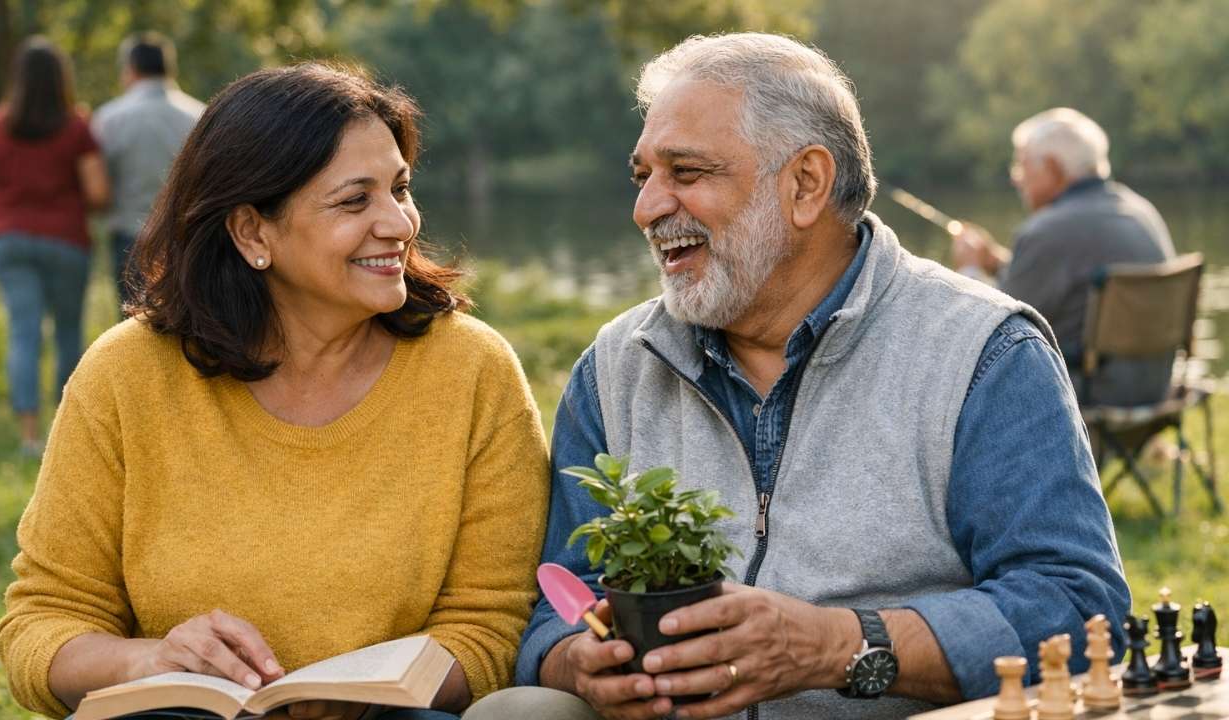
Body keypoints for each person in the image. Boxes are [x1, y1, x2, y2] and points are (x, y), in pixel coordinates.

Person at [466, 33, 1130, 720]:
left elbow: (1076, 606)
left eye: (686, 173)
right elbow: (555, 604)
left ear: (805, 184)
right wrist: (576, 660)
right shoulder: (613, 368)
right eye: (643, 177)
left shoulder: (984, 352)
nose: (648, 208)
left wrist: (841, 646)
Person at [0, 63, 549, 720]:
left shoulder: (474, 370)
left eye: (400, 189)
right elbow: (43, 624)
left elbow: (489, 628)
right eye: (354, 200)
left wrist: (365, 696)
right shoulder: (125, 374)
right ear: (253, 232)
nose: (399, 223)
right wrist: (147, 661)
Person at [951, 108, 1176, 407]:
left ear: (1054, 169)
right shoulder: (1141, 210)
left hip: (1091, 392)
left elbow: (995, 329)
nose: (1016, 178)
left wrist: (969, 270)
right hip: (1154, 387)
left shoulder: (1046, 231)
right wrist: (995, 265)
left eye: (1022, 164)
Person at [0, 36, 110, 456]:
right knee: (68, 334)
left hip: (9, 240)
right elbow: (98, 192)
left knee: (23, 333)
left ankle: (28, 435)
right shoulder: (76, 128)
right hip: (65, 241)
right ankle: (61, 431)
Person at [92, 31, 204, 308]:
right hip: (185, 236)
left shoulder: (109, 118)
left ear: (130, 69)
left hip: (128, 236)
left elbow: (98, 183)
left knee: (131, 324)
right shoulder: (200, 116)